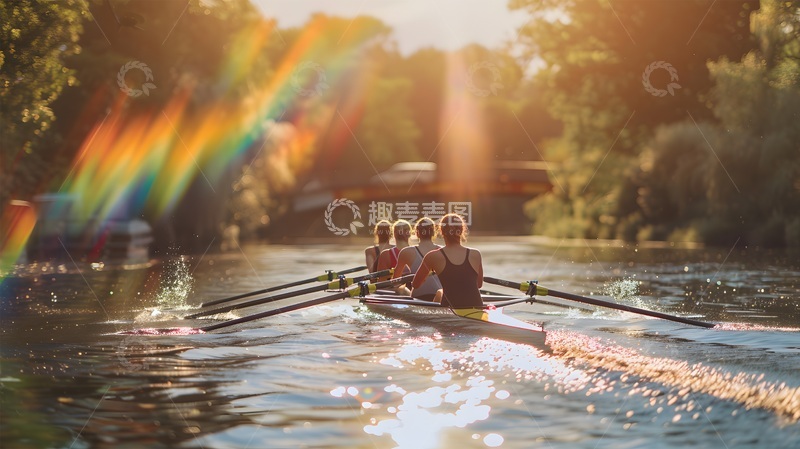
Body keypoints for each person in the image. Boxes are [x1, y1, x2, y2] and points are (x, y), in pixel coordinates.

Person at [412, 213, 483, 308]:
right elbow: (478, 284)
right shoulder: (476, 254)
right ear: (461, 231)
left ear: (441, 231)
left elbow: (416, 285)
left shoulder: (432, 256)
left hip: (450, 309)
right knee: (440, 292)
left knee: (439, 293)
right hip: (477, 307)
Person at [392, 217, 443, 301]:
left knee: (400, 289)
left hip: (418, 296)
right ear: (434, 233)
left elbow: (395, 282)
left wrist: (402, 290)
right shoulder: (443, 251)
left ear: (417, 233)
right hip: (440, 297)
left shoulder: (406, 252)